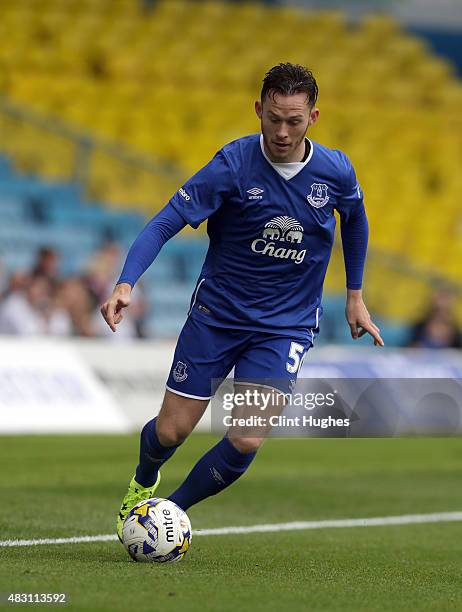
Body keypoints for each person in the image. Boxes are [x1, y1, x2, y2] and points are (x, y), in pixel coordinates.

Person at [100, 63, 384, 540]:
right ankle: (144, 479)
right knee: (170, 432)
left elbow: (355, 220)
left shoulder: (334, 170)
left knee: (247, 436)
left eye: (294, 120)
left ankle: (164, 514)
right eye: (273, 118)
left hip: (285, 327)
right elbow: (166, 220)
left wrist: (355, 296)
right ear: (258, 110)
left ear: (314, 117)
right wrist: (127, 282)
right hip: (218, 317)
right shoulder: (232, 165)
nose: (281, 131)